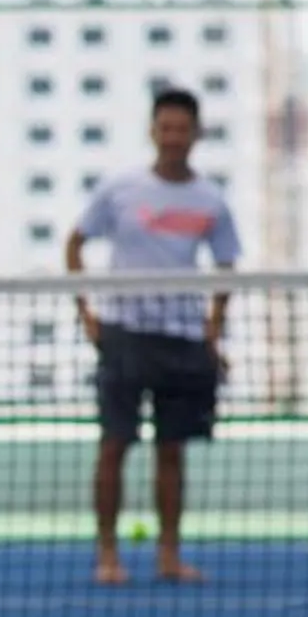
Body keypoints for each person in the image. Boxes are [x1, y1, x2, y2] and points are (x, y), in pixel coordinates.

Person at [63, 85, 241, 587]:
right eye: (165, 128)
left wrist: (212, 332)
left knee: (172, 451)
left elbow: (228, 267)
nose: (174, 138)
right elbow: (74, 243)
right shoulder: (120, 190)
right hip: (125, 335)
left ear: (196, 134)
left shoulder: (211, 200)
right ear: (152, 131)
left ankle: (169, 554)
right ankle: (107, 555)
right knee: (114, 445)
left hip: (182, 340)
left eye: (183, 129)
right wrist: (88, 316)